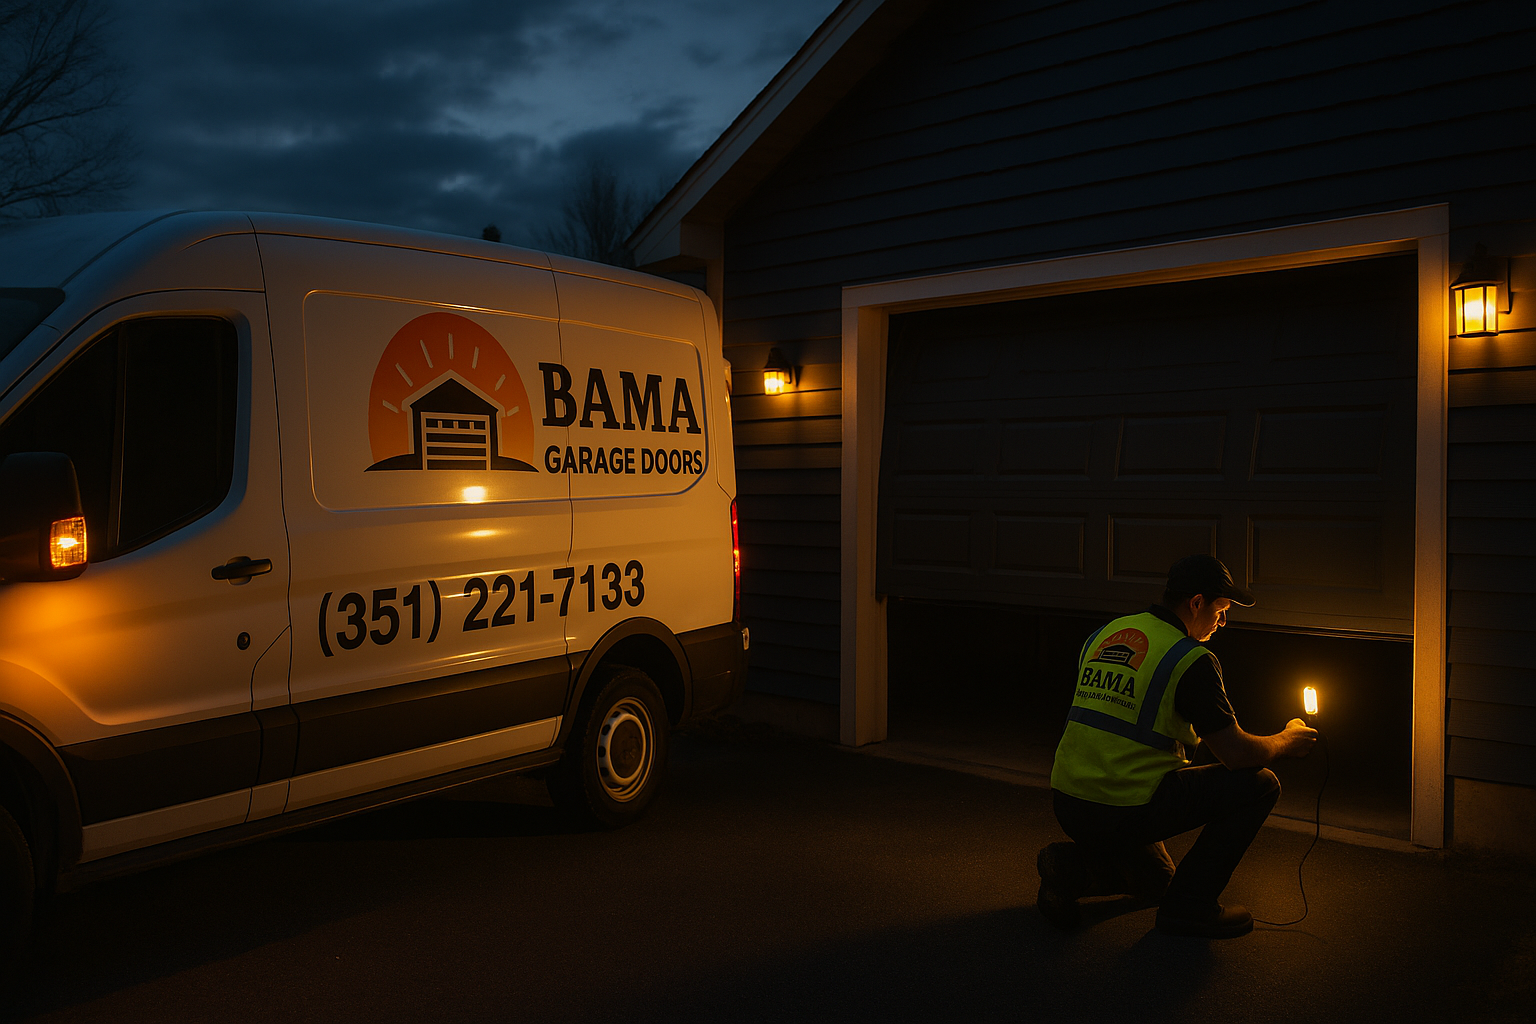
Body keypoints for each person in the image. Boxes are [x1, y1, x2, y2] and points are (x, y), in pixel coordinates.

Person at [1037, 554, 1317, 938]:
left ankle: (1069, 869)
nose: (1223, 621)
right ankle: (1191, 909)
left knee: (1158, 878)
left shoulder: (1108, 632)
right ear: (1197, 603)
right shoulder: (1189, 659)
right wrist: (1286, 740)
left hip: (1069, 800)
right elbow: (1236, 755)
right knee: (1260, 784)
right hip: (1124, 806)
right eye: (1221, 609)